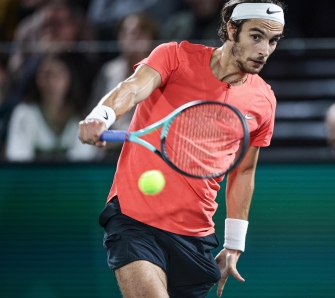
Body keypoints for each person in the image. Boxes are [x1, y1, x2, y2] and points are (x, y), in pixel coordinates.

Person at [78, 1, 285, 297]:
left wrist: (234, 243)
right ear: (231, 29)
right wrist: (102, 116)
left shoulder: (264, 101)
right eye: (256, 36)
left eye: (273, 40)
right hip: (135, 221)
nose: (264, 49)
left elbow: (244, 169)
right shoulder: (174, 56)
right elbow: (133, 87)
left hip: (195, 237)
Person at [6, 54, 99, 162]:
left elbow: (85, 158)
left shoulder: (84, 117)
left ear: (69, 78)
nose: (51, 82)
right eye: (46, 75)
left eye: (57, 75)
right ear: (37, 79)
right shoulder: (24, 114)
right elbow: (18, 157)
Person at [89, 13, 159, 132]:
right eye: (126, 32)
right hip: (109, 140)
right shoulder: (109, 71)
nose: (132, 38)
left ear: (151, 38)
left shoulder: (160, 74)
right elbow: (95, 109)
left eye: (139, 32)